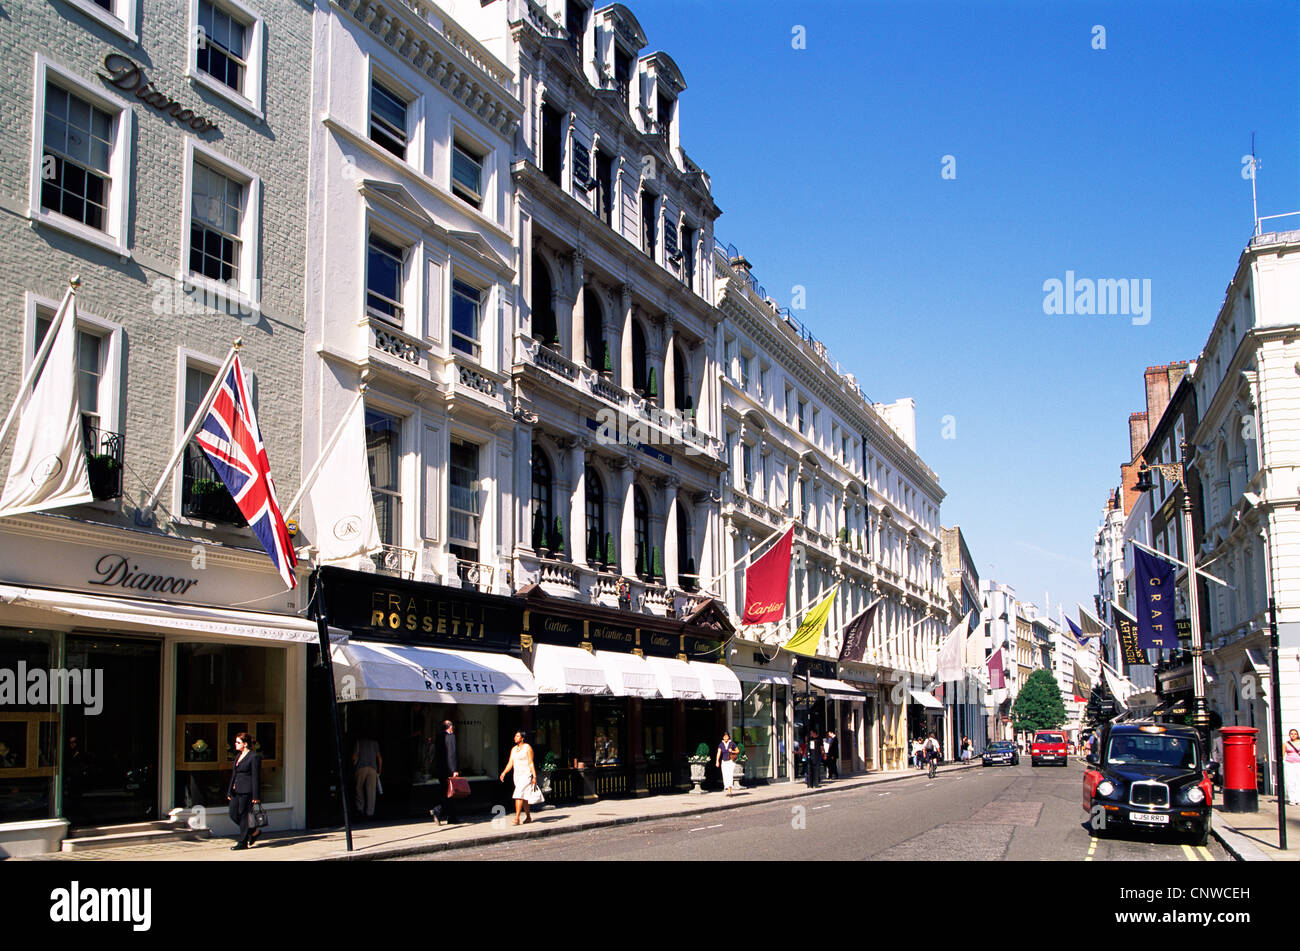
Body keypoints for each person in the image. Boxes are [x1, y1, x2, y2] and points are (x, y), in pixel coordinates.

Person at [226, 732, 261, 850]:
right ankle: (253, 832)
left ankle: (242, 842)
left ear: (245, 744)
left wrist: (256, 796)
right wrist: (230, 791)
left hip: (247, 791)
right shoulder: (238, 756)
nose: (235, 744)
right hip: (236, 791)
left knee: (243, 816)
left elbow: (256, 777)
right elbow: (234, 775)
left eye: (238, 742)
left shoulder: (254, 757)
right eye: (236, 742)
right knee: (233, 814)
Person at [500, 731, 537, 825]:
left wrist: (534, 776)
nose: (515, 737)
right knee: (523, 797)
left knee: (518, 794)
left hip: (526, 774)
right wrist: (504, 772)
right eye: (515, 736)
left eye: (517, 736)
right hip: (517, 775)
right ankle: (528, 817)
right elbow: (510, 763)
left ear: (522, 738)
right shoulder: (514, 749)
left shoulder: (527, 747)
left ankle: (517, 818)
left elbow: (531, 762)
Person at [431, 719, 460, 824]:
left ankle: (452, 816)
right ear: (450, 727)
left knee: (447, 793)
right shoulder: (451, 737)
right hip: (448, 770)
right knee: (449, 794)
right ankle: (437, 810)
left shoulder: (438, 737)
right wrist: (454, 770)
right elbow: (451, 754)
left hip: (440, 770)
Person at [352, 735, 381, 819]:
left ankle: (360, 808)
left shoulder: (358, 742)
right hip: (372, 768)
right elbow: (379, 757)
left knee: (359, 788)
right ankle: (370, 812)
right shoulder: (375, 743)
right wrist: (379, 769)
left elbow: (354, 756)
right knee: (371, 791)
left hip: (361, 767)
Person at [1284, 728, 1300, 806]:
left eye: (1295, 734)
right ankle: (1292, 799)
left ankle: (1298, 798)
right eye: (1292, 734)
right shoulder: (1286, 744)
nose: (1293, 735)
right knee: (1290, 781)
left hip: (1298, 763)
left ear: (1297, 735)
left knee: (1298, 781)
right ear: (1289, 735)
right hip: (1289, 763)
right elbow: (1283, 754)